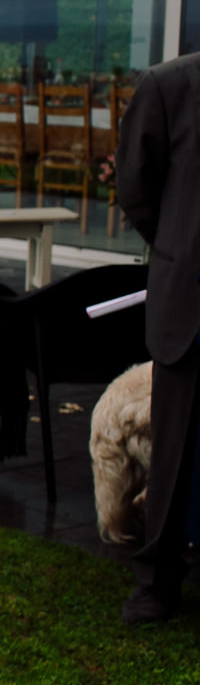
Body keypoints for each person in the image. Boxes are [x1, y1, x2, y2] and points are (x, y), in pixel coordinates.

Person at [115, 49, 200, 623]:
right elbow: (137, 189)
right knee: (177, 449)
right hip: (191, 297)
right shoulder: (170, 85)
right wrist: (179, 247)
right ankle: (157, 579)